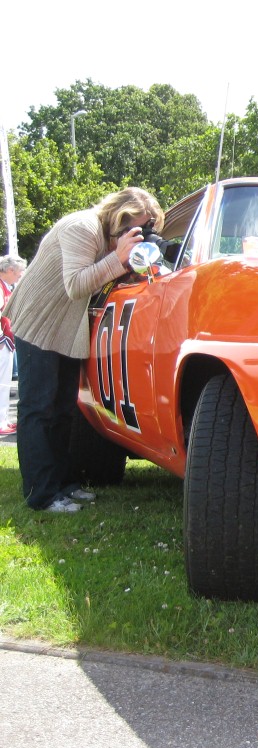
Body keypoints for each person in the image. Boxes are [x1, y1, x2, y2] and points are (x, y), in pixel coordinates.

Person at [1, 188, 164, 513]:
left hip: (65, 327)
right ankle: (42, 494)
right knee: (38, 409)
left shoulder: (104, 239)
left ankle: (64, 484)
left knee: (62, 410)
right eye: (139, 227)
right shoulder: (83, 227)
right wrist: (118, 258)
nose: (141, 234)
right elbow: (76, 284)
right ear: (121, 217)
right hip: (39, 321)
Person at [0, 254, 27, 435]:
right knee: (2, 383)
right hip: (3, 342)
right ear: (10, 270)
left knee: (4, 382)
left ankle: (3, 419)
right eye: (19, 272)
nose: (20, 275)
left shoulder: (5, 287)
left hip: (6, 341)